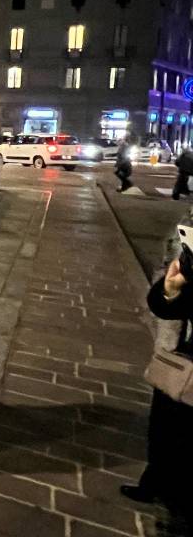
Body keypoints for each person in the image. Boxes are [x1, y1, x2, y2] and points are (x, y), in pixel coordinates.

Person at [120, 226, 193, 529]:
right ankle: (156, 483)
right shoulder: (185, 236)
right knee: (164, 425)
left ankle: (183, 510)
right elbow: (161, 304)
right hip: (179, 353)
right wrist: (171, 289)